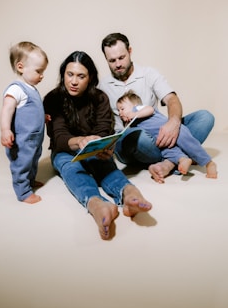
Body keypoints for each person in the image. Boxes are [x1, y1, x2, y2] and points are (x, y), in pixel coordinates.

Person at [43, 51, 152, 240]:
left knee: (105, 164)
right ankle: (97, 205)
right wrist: (79, 141)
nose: (74, 81)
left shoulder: (100, 97)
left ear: (90, 78)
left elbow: (104, 130)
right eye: (70, 75)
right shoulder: (53, 98)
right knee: (72, 169)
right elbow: (58, 135)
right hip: (64, 151)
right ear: (63, 75)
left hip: (93, 148)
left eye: (81, 76)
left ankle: (129, 194)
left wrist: (104, 146)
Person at [99, 32, 215, 183]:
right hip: (133, 142)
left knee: (205, 117)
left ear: (130, 51)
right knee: (138, 137)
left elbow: (172, 99)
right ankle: (179, 156)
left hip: (160, 133)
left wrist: (173, 123)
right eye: (112, 61)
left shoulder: (149, 73)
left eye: (121, 57)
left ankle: (169, 163)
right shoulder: (102, 86)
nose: (118, 64)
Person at [116, 90, 217, 182]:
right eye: (118, 110)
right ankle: (183, 159)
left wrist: (135, 114)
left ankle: (208, 162)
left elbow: (150, 109)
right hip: (160, 140)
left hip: (174, 130)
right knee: (169, 151)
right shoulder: (131, 123)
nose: (120, 113)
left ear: (134, 104)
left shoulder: (137, 109)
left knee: (189, 144)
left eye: (122, 108)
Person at [0, 41, 49, 204]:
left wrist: (44, 117)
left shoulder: (32, 89)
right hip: (22, 141)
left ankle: (29, 181)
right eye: (38, 71)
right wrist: (5, 130)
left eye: (43, 71)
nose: (41, 75)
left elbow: (32, 111)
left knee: (33, 161)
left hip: (34, 140)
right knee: (22, 164)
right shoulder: (16, 89)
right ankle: (23, 192)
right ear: (21, 67)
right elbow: (7, 109)